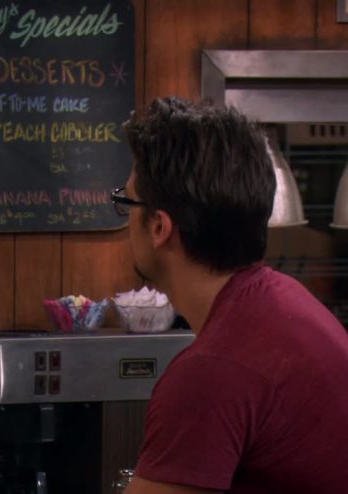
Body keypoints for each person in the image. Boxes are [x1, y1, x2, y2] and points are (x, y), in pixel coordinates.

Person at [111, 97, 348, 493]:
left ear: (159, 227)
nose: (126, 221)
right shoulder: (285, 298)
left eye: (126, 203)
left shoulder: (211, 373)